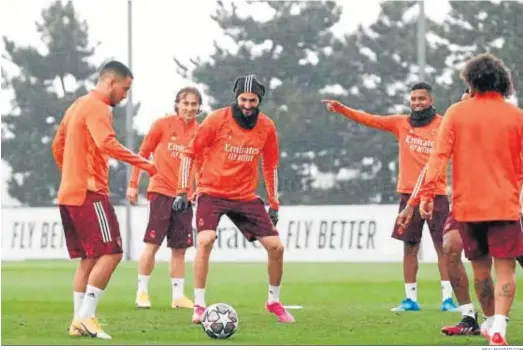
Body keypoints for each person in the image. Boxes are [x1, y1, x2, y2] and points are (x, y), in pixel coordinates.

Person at [322, 83, 458, 312]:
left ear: (431, 101)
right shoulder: (401, 123)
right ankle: (410, 300)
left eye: (421, 99)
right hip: (407, 195)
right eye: (413, 98)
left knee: (442, 247)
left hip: (436, 194)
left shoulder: (444, 125)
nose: (416, 103)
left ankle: (448, 299)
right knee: (409, 247)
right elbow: (370, 119)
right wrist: (342, 109)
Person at [419, 53, 523, 346]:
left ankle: (488, 321)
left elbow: (439, 157)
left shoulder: (456, 112)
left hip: (468, 207)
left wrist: (428, 194)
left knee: (480, 271)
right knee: (505, 270)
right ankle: (499, 326)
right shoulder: (516, 116)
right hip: (504, 205)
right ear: (503, 82)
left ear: (471, 81)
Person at [173, 74, 295, 324]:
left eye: (252, 100)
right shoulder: (217, 119)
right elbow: (189, 153)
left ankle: (273, 301)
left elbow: (270, 166)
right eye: (243, 99)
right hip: (211, 191)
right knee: (205, 240)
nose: (247, 105)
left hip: (245, 196)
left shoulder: (267, 126)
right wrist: (182, 191)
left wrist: (274, 202)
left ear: (259, 100)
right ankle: (199, 305)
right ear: (236, 97)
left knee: (276, 247)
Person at [51, 60, 157, 339]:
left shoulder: (77, 105)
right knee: (112, 252)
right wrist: (144, 164)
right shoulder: (98, 106)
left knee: (90, 257)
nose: (125, 95)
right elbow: (107, 143)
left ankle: (77, 321)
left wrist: (71, 173)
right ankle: (87, 315)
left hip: (69, 192)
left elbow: (57, 145)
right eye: (125, 89)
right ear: (111, 83)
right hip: (89, 193)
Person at [396, 88, 489, 336]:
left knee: (504, 262)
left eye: (471, 97)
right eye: (464, 97)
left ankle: (494, 319)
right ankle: (471, 316)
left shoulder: (508, 121)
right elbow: (433, 164)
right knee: (453, 249)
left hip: (503, 204)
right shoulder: (452, 125)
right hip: (463, 205)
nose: (464, 103)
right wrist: (416, 200)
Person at [127, 87, 202, 309]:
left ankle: (178, 296)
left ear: (199, 107)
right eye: (185, 103)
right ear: (177, 104)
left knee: (180, 248)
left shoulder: (200, 131)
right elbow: (142, 155)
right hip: (160, 191)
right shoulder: (162, 125)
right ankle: (142, 292)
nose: (189, 108)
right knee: (152, 244)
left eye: (194, 104)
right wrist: (133, 184)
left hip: (185, 197)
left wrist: (198, 189)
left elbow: (200, 163)